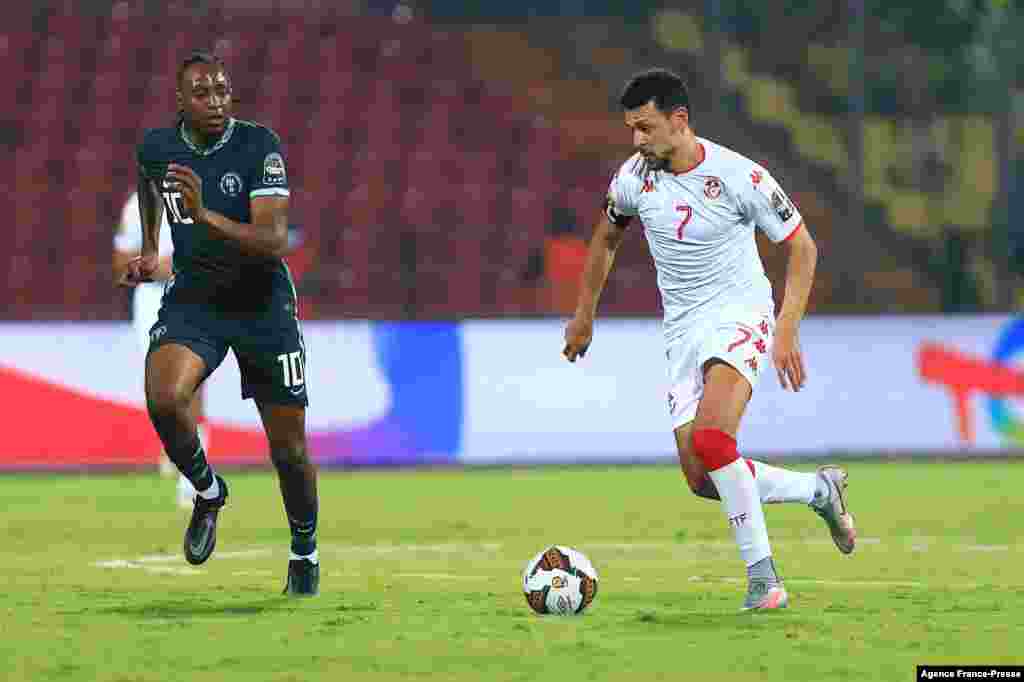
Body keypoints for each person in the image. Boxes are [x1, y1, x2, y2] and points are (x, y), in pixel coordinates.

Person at [562, 69, 855, 611]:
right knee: (702, 477)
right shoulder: (632, 178)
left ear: (679, 120)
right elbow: (605, 239)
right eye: (631, 129)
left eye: (645, 128)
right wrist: (585, 315)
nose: (637, 140)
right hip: (682, 329)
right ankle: (819, 491)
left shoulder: (740, 176)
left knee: (714, 442)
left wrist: (785, 328)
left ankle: (764, 580)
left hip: (740, 312)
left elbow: (803, 248)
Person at [117, 51, 319, 596]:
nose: (216, 102)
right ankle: (208, 491)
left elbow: (274, 239)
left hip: (261, 302)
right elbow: (147, 179)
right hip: (197, 300)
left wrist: (203, 214)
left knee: (289, 450)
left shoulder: (259, 146)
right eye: (203, 93)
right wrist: (152, 247)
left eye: (223, 91)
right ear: (180, 101)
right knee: (163, 398)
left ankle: (305, 551)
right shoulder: (159, 147)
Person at [113, 190, 201, 509]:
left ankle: (193, 482)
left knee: (192, 384)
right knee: (164, 392)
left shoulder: (200, 193)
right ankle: (175, 445)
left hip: (195, 294)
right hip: (152, 299)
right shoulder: (136, 205)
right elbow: (120, 265)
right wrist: (155, 266)